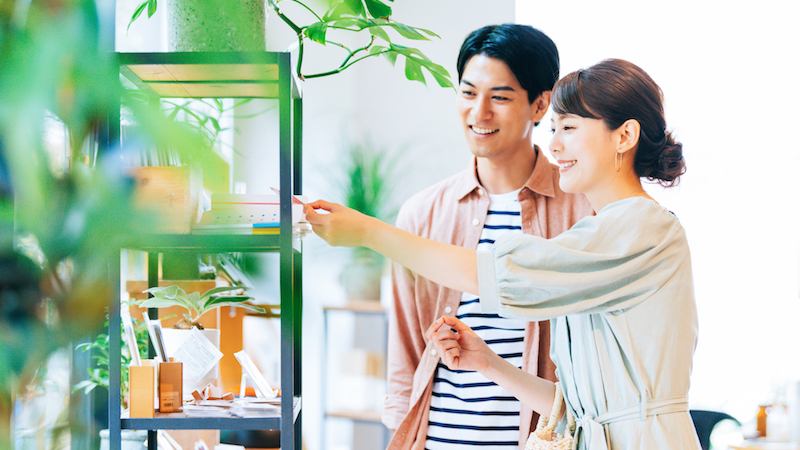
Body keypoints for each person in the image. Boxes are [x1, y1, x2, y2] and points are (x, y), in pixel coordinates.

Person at [305, 58, 699, 449]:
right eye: (554, 129)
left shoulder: (644, 228)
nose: (555, 144)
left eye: (570, 128)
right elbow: (577, 413)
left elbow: (498, 275)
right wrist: (488, 364)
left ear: (625, 135)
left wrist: (368, 232)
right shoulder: (599, 231)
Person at [382, 24, 593, 450]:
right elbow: (405, 353)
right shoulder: (422, 214)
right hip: (441, 439)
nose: (479, 113)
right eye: (467, 93)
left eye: (499, 97)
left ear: (540, 105)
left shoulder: (583, 208)